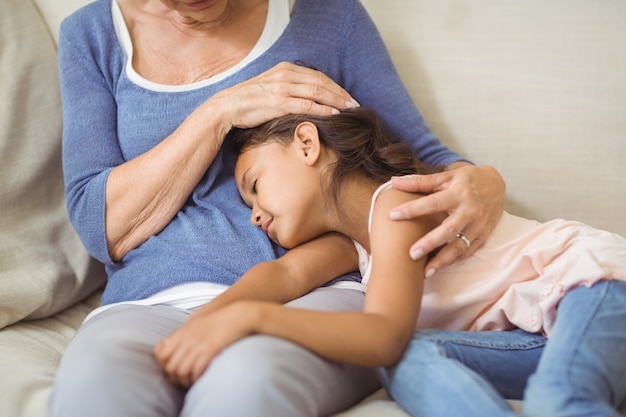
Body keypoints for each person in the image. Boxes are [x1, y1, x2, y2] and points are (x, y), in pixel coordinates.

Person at [49, 0, 505, 416]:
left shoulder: (329, 16)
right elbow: (100, 225)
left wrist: (486, 181)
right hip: (146, 303)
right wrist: (219, 112)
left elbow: (415, 156)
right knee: (93, 391)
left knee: (246, 384)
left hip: (314, 293)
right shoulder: (91, 36)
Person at [154, 107, 626, 417]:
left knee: (558, 397)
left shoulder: (401, 203)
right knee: (412, 358)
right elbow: (280, 274)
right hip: (538, 332)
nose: (255, 214)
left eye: (254, 185)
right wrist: (195, 329)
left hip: (592, 286)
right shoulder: (357, 244)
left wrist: (250, 319)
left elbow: (382, 335)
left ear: (306, 144)